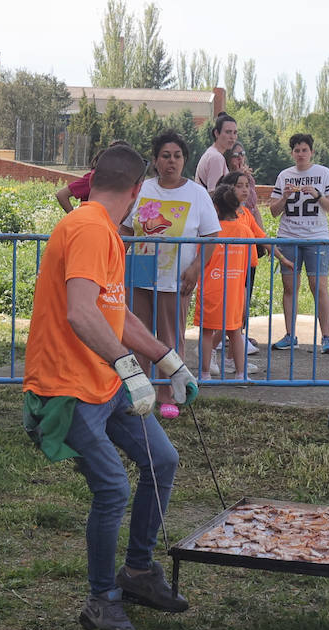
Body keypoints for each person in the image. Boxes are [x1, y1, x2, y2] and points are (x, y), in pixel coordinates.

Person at [22, 143, 199, 630]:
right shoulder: (85, 228)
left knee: (162, 460)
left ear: (93, 179)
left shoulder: (106, 232)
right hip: (68, 387)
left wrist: (167, 359)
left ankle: (137, 571)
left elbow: (113, 314)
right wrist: (130, 368)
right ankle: (101, 598)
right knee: (112, 487)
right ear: (138, 190)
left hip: (103, 383)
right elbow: (80, 312)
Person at [120, 129, 219, 419]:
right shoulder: (142, 189)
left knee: (169, 338)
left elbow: (211, 236)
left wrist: (196, 268)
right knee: (136, 336)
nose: (171, 161)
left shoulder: (197, 194)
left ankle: (168, 394)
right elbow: (125, 227)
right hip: (138, 275)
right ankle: (140, 392)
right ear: (155, 160)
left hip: (175, 281)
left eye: (177, 156)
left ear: (184, 160)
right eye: (165, 156)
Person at [269, 133, 329, 354]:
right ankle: (291, 335)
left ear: (311, 152)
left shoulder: (323, 173)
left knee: (318, 287)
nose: (300, 154)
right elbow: (273, 211)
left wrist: (318, 195)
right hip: (288, 236)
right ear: (292, 153)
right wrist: (285, 198)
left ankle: (326, 337)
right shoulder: (284, 175)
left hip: (316, 238)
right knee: (290, 287)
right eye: (297, 150)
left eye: (304, 150)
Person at [196, 179, 263, 379]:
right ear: (237, 206)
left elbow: (200, 259)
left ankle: (204, 374)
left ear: (214, 207)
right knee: (235, 332)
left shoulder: (209, 232)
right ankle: (241, 374)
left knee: (207, 333)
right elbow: (252, 261)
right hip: (234, 291)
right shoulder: (245, 232)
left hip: (210, 289)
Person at [195, 112, 237, 191]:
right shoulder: (216, 157)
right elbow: (213, 193)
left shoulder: (212, 154)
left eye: (235, 133)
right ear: (217, 133)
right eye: (228, 132)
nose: (232, 137)